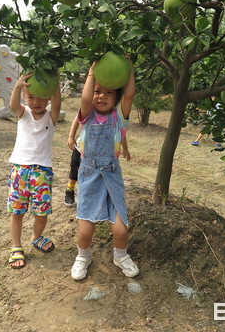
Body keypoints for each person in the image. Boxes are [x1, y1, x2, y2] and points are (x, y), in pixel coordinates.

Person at [70, 58, 138, 281]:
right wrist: (91, 72)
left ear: (116, 98)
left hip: (111, 175)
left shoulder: (119, 118)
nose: (101, 96)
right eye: (98, 91)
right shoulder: (87, 115)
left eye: (109, 93)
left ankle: (121, 255)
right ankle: (83, 257)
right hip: (89, 175)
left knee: (120, 230)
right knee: (85, 230)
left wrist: (129, 70)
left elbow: (129, 95)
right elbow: (85, 97)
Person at [7, 74, 61, 269]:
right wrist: (17, 85)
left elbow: (56, 103)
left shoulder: (51, 117)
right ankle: (16, 245)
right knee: (17, 211)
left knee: (41, 213)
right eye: (30, 97)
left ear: (48, 97)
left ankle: (36, 237)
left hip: (42, 173)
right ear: (24, 96)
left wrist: (53, 81)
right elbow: (13, 105)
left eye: (40, 97)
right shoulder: (23, 114)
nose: (35, 102)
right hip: (20, 170)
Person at [65, 116, 131, 207]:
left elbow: (121, 132)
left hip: (101, 153)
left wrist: (125, 149)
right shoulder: (89, 109)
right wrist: (71, 136)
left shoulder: (115, 114)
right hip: (82, 147)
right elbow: (77, 118)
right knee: (75, 169)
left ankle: (92, 196)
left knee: (95, 175)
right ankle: (69, 190)